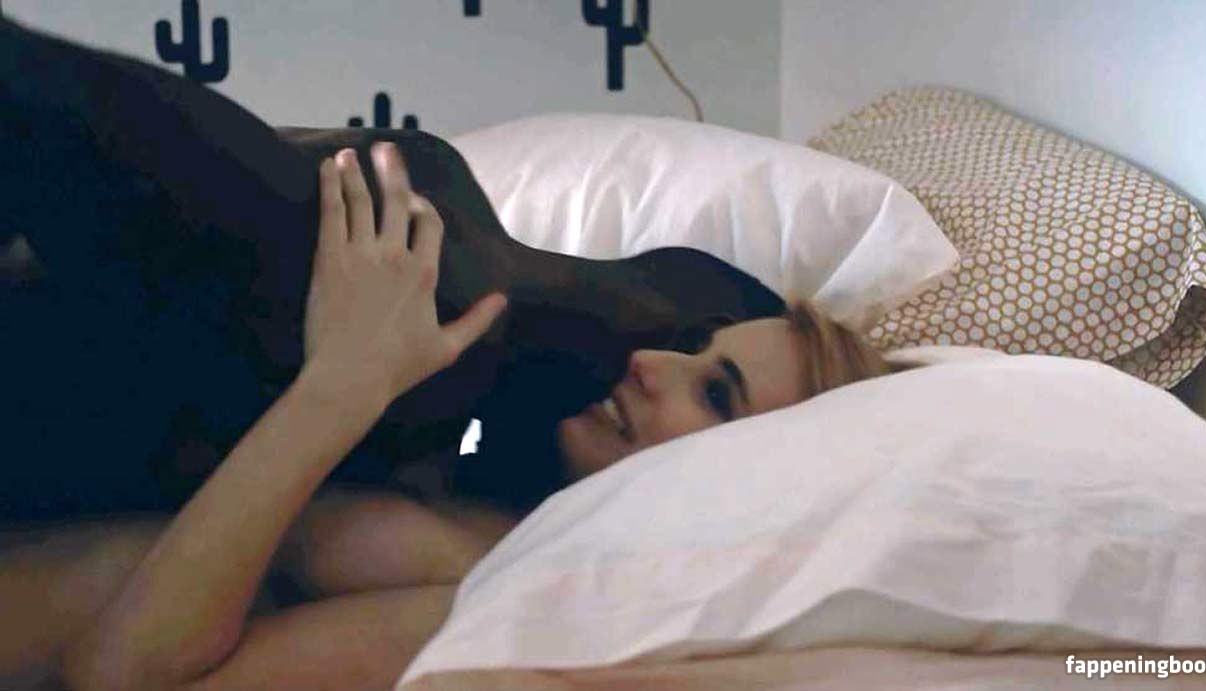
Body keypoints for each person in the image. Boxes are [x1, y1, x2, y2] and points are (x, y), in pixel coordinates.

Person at [0, 17, 891, 690]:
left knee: (405, 285)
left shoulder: (518, 591)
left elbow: (122, 675)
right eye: (693, 346)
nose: (650, 363)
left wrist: (345, 383)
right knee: (440, 262)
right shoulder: (499, 482)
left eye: (717, 395)